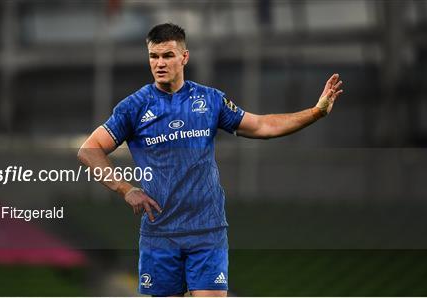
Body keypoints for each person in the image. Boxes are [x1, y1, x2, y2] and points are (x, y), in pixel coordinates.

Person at [78, 23, 343, 297]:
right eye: (153, 56)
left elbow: (262, 126)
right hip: (160, 233)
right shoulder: (134, 107)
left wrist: (315, 113)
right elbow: (89, 150)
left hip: (207, 230)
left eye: (168, 55)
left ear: (184, 57)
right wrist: (127, 190)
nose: (159, 63)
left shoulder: (210, 100)